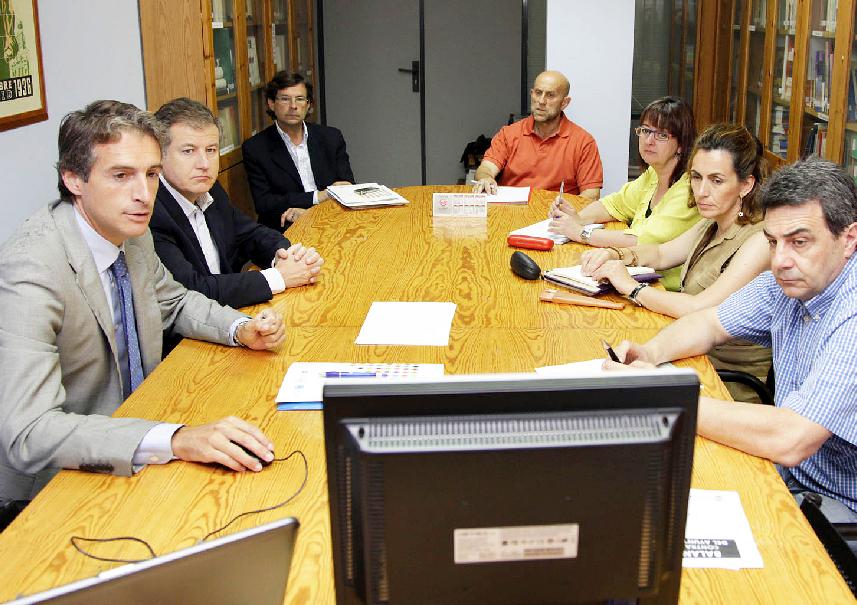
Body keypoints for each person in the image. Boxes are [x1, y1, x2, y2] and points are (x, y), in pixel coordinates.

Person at [0, 101, 286, 514]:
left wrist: (240, 329)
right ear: (73, 179)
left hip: (141, 428)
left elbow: (173, 300)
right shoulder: (30, 269)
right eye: (121, 175)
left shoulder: (129, 232)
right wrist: (173, 439)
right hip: (53, 485)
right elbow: (31, 432)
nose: (143, 194)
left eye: (151, 174)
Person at [610, 158, 857, 522]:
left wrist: (665, 397)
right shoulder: (789, 282)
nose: (781, 260)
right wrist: (650, 352)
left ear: (848, 238)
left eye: (799, 242)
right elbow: (709, 323)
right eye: (773, 243)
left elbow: (791, 438)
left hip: (837, 505)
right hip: (786, 474)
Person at [580, 123, 772, 401]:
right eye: (696, 177)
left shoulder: (760, 240)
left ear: (746, 185)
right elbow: (661, 254)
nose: (702, 191)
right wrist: (614, 255)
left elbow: (699, 307)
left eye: (716, 181)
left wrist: (632, 288)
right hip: (689, 356)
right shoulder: (712, 221)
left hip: (726, 382)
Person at [150, 97, 323, 319]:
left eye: (211, 150)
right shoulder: (152, 212)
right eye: (188, 151)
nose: (204, 163)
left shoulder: (209, 189)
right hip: (185, 341)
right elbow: (193, 290)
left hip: (230, 316)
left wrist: (284, 256)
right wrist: (279, 277)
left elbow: (249, 233)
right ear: (159, 155)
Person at [548, 96, 701, 291]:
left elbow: (639, 241)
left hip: (664, 288)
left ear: (681, 144)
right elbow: (612, 204)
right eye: (645, 131)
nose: (649, 140)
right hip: (635, 275)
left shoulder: (689, 189)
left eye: (661, 135)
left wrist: (581, 232)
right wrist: (577, 218)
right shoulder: (653, 174)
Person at [242, 72, 354, 231]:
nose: (293, 106)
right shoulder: (256, 148)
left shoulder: (331, 137)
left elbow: (347, 184)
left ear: (308, 105)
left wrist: (312, 213)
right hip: (286, 227)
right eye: (285, 99)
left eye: (300, 99)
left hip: (331, 220)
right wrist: (316, 197)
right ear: (271, 103)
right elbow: (264, 203)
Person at [471, 70, 603, 200]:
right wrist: (486, 178)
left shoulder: (584, 142)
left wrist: (565, 213)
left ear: (564, 103)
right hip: (511, 214)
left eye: (550, 95)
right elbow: (486, 168)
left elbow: (591, 195)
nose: (541, 101)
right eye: (538, 93)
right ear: (532, 94)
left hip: (555, 217)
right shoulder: (509, 134)